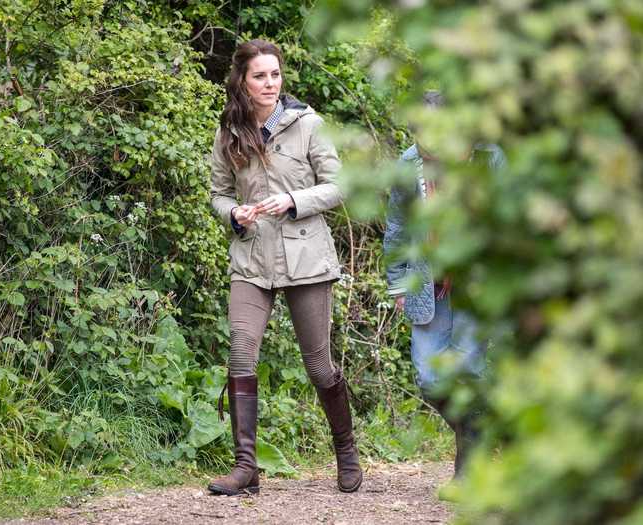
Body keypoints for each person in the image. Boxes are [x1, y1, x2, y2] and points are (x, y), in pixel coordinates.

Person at [207, 39, 362, 496]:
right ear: (242, 81)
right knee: (240, 350)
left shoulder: (309, 125)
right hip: (252, 258)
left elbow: (339, 185)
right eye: (259, 76)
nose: (269, 84)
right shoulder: (229, 132)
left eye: (274, 75)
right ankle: (245, 468)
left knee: (318, 364)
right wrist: (232, 214)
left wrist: (294, 200)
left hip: (306, 258)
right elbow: (218, 193)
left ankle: (347, 453)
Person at [384, 90, 506, 477]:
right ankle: (476, 434)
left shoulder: (489, 157)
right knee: (429, 377)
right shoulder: (408, 164)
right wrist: (400, 283)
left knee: (469, 368)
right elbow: (397, 229)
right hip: (428, 283)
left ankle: (467, 467)